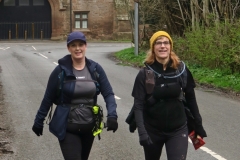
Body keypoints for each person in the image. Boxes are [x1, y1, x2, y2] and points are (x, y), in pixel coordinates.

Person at [32, 31, 118, 160]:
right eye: (73, 45)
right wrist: (39, 121)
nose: (78, 48)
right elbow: (48, 97)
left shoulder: (95, 69)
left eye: (81, 44)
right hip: (68, 127)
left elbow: (108, 93)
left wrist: (112, 115)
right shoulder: (60, 70)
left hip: (89, 127)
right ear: (68, 48)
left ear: (85, 46)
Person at [132, 31, 207, 160]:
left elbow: (191, 99)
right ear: (153, 48)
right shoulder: (145, 74)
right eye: (158, 43)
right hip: (152, 130)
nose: (163, 46)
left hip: (178, 129)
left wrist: (198, 124)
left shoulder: (181, 70)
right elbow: (138, 106)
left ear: (170, 47)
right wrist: (142, 133)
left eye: (166, 43)